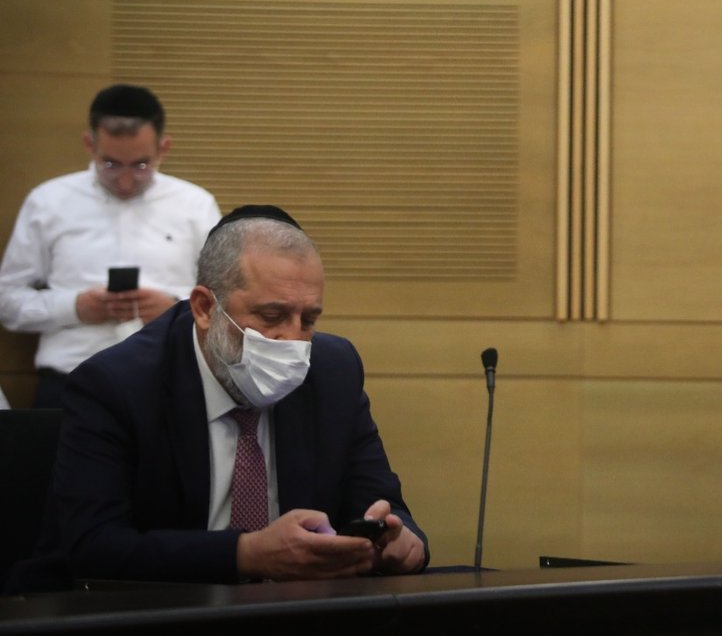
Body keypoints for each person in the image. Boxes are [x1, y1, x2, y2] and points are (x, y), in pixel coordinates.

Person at [6, 205, 428, 591]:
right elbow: (92, 546)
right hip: (155, 612)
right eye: (272, 316)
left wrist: (403, 541)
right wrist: (246, 554)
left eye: (309, 319)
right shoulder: (115, 385)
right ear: (205, 308)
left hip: (295, 612)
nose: (294, 339)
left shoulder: (333, 371)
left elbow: (382, 501)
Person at [0, 84, 221, 407]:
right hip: (70, 384)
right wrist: (74, 307)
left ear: (163, 148)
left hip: (170, 384)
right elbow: (7, 301)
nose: (125, 181)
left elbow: (225, 303)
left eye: (140, 165)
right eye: (111, 164)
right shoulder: (47, 202)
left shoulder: (196, 206)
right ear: (89, 145)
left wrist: (175, 310)